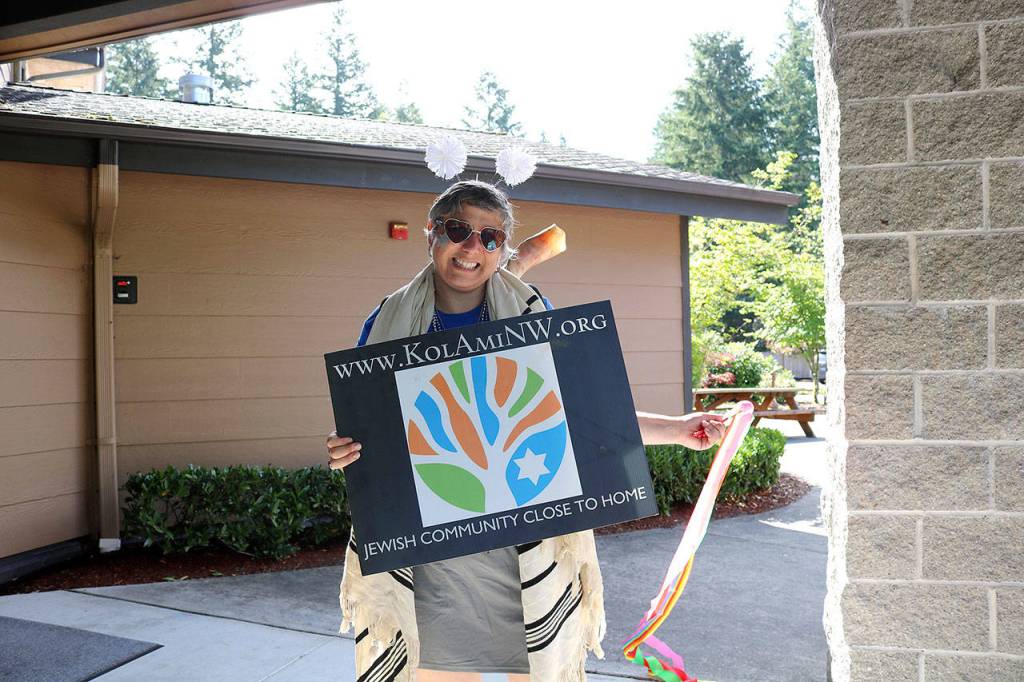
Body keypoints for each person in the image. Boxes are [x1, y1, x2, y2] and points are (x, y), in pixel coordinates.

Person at [326, 180, 726, 682]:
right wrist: (345, 450)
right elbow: (368, 430)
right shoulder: (388, 321)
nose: (473, 248)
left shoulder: (533, 315)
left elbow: (583, 412)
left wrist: (677, 429)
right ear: (431, 234)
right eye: (459, 231)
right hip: (436, 550)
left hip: (528, 540)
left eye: (490, 238)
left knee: (538, 669)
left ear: (501, 250)